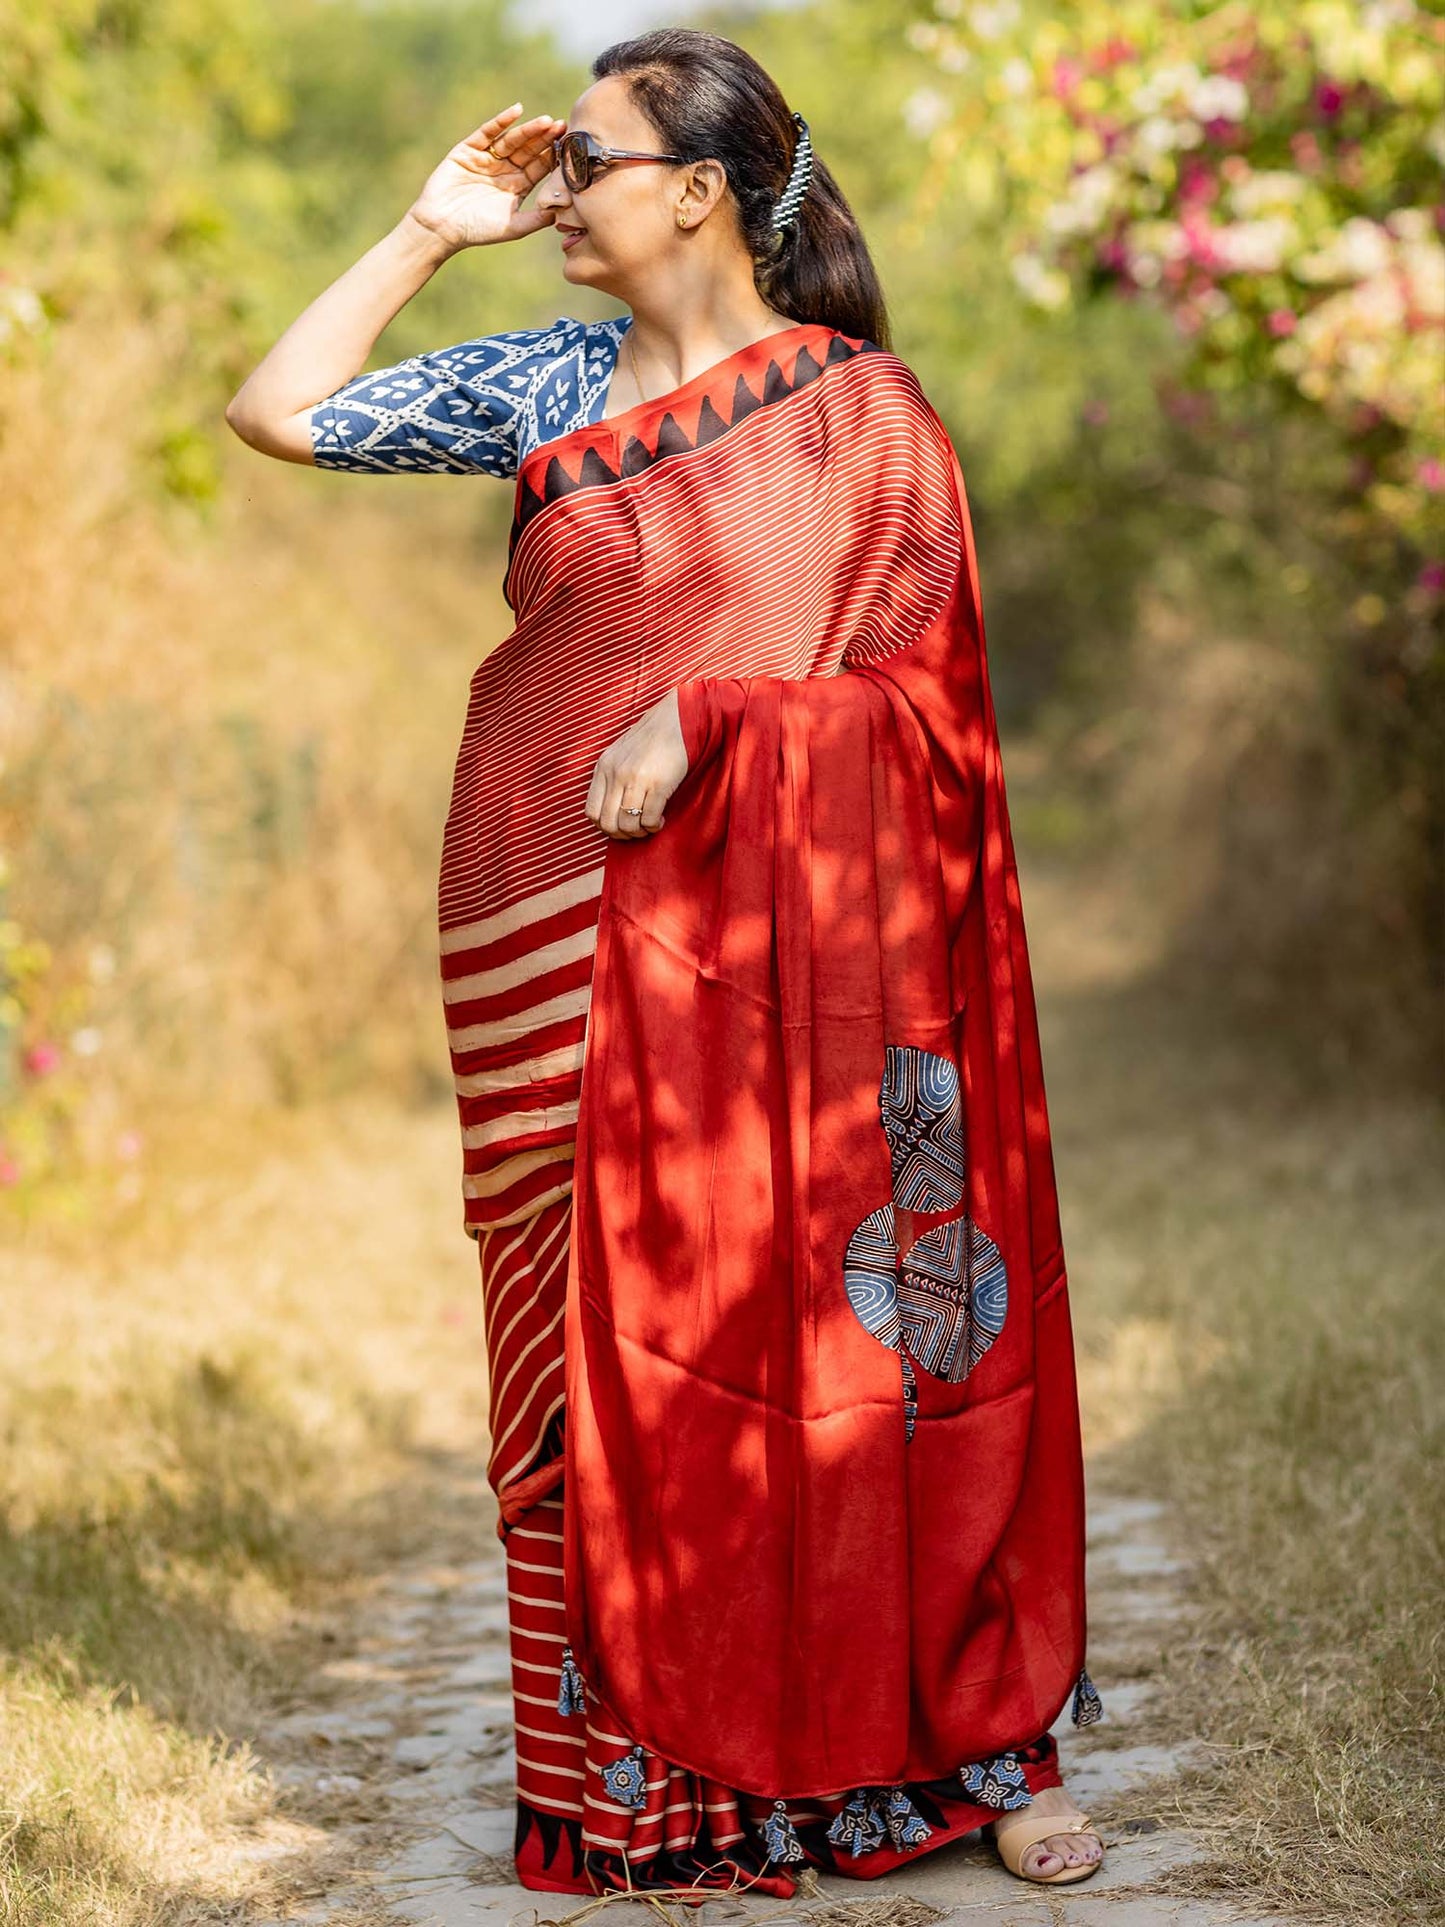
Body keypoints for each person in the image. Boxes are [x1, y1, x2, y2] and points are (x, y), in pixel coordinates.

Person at [226, 26, 1105, 1903]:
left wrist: (718, 717)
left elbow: (927, 713)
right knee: (587, 1354)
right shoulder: (541, 380)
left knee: (867, 1309)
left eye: (587, 161)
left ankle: (959, 1740)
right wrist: (420, 230)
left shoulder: (864, 416)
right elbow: (276, 410)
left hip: (809, 944)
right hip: (543, 905)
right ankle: (640, 1781)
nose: (555, 188)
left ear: (697, 191)